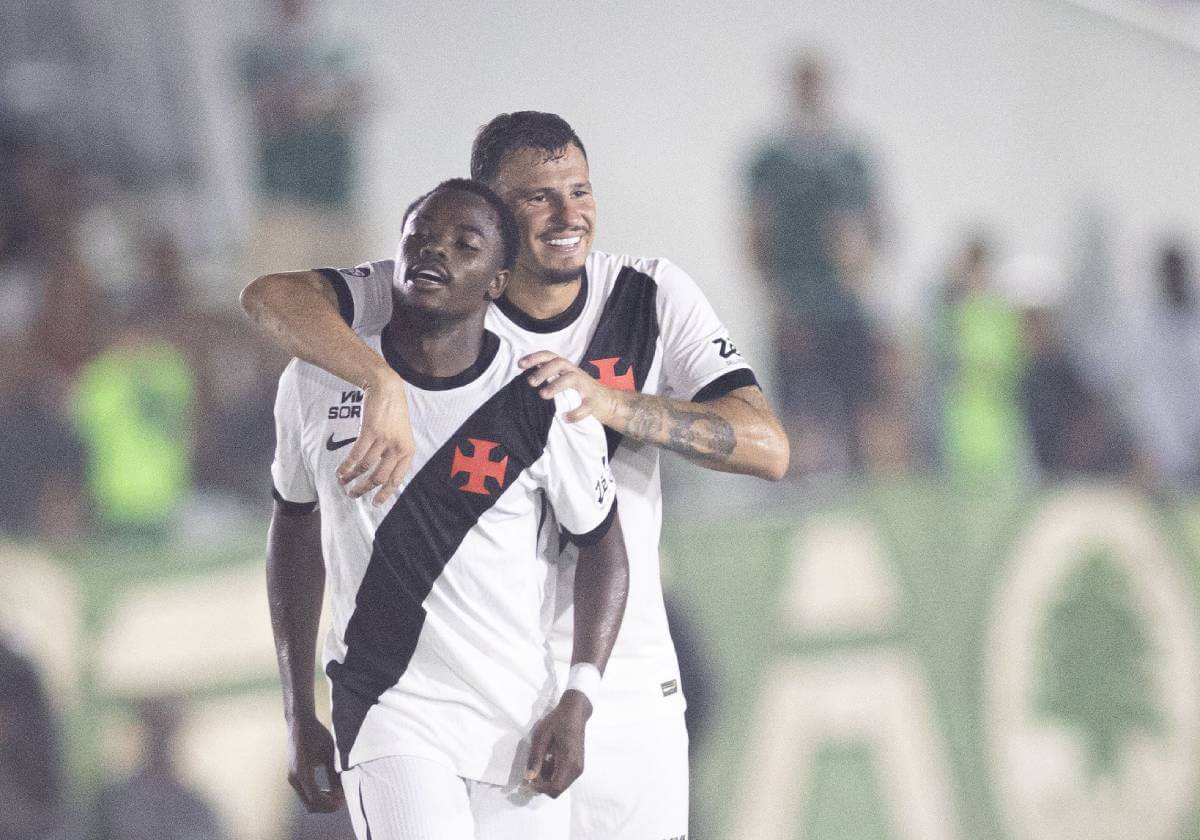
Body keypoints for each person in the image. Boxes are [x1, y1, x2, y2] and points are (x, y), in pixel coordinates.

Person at [242, 112, 789, 840]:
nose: (569, 215)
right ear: (492, 208)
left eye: (581, 190)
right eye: (539, 197)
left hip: (623, 678)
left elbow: (768, 447)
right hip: (489, 688)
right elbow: (271, 298)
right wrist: (377, 380)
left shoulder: (646, 297)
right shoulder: (439, 283)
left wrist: (610, 403)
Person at [261, 178, 629, 840]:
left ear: (498, 280)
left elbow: (603, 545)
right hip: (388, 712)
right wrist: (297, 709)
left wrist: (579, 697)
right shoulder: (316, 380)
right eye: (421, 237)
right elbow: (293, 524)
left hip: (518, 720)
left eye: (466, 243)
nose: (436, 252)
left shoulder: (541, 395)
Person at [745, 52, 885, 475]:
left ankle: (861, 495)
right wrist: (775, 297)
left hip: (843, 306)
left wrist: (859, 274)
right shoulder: (770, 161)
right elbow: (756, 230)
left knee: (858, 410)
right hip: (796, 305)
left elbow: (872, 225)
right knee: (799, 415)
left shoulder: (851, 159)